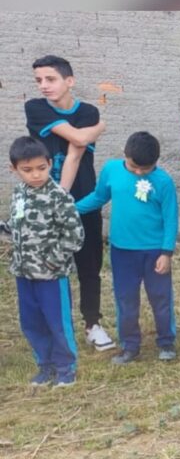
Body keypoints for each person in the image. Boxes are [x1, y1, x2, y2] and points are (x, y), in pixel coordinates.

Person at [24, 55, 112, 351]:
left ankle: (93, 324)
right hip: (46, 202)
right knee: (51, 267)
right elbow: (76, 137)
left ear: (69, 81)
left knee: (89, 264)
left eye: (50, 79)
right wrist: (98, 130)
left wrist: (66, 199)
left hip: (85, 199)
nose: (44, 86)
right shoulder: (35, 108)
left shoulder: (87, 110)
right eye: (39, 80)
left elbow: (76, 153)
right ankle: (56, 328)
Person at [75, 132, 179, 365]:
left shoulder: (163, 181)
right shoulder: (112, 170)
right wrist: (71, 209)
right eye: (134, 167)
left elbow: (170, 218)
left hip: (154, 252)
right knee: (126, 300)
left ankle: (166, 341)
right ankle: (130, 345)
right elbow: (98, 197)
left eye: (147, 168)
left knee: (161, 299)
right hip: (122, 251)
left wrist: (166, 252)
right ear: (125, 154)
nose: (140, 172)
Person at [3, 137, 85, 387]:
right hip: (24, 272)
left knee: (57, 322)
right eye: (27, 170)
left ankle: (65, 368)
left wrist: (52, 261)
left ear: (50, 164)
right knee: (31, 322)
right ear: (13, 169)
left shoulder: (59, 197)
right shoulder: (19, 194)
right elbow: (16, 226)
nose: (35, 175)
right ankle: (45, 366)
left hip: (51, 275)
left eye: (41, 168)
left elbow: (75, 236)